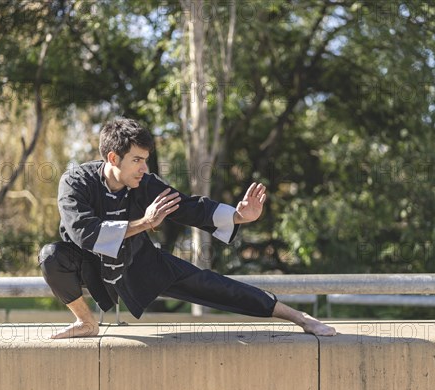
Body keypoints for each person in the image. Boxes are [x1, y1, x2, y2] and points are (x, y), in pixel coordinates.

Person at [39, 118, 336, 339]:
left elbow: (189, 207)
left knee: (211, 283)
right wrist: (145, 222)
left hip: (138, 261)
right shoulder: (75, 182)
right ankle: (86, 322)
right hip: (89, 266)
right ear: (113, 158)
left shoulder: (145, 183)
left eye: (146, 160)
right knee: (51, 256)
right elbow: (84, 233)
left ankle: (299, 317)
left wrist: (238, 216)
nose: (144, 168)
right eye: (137, 160)